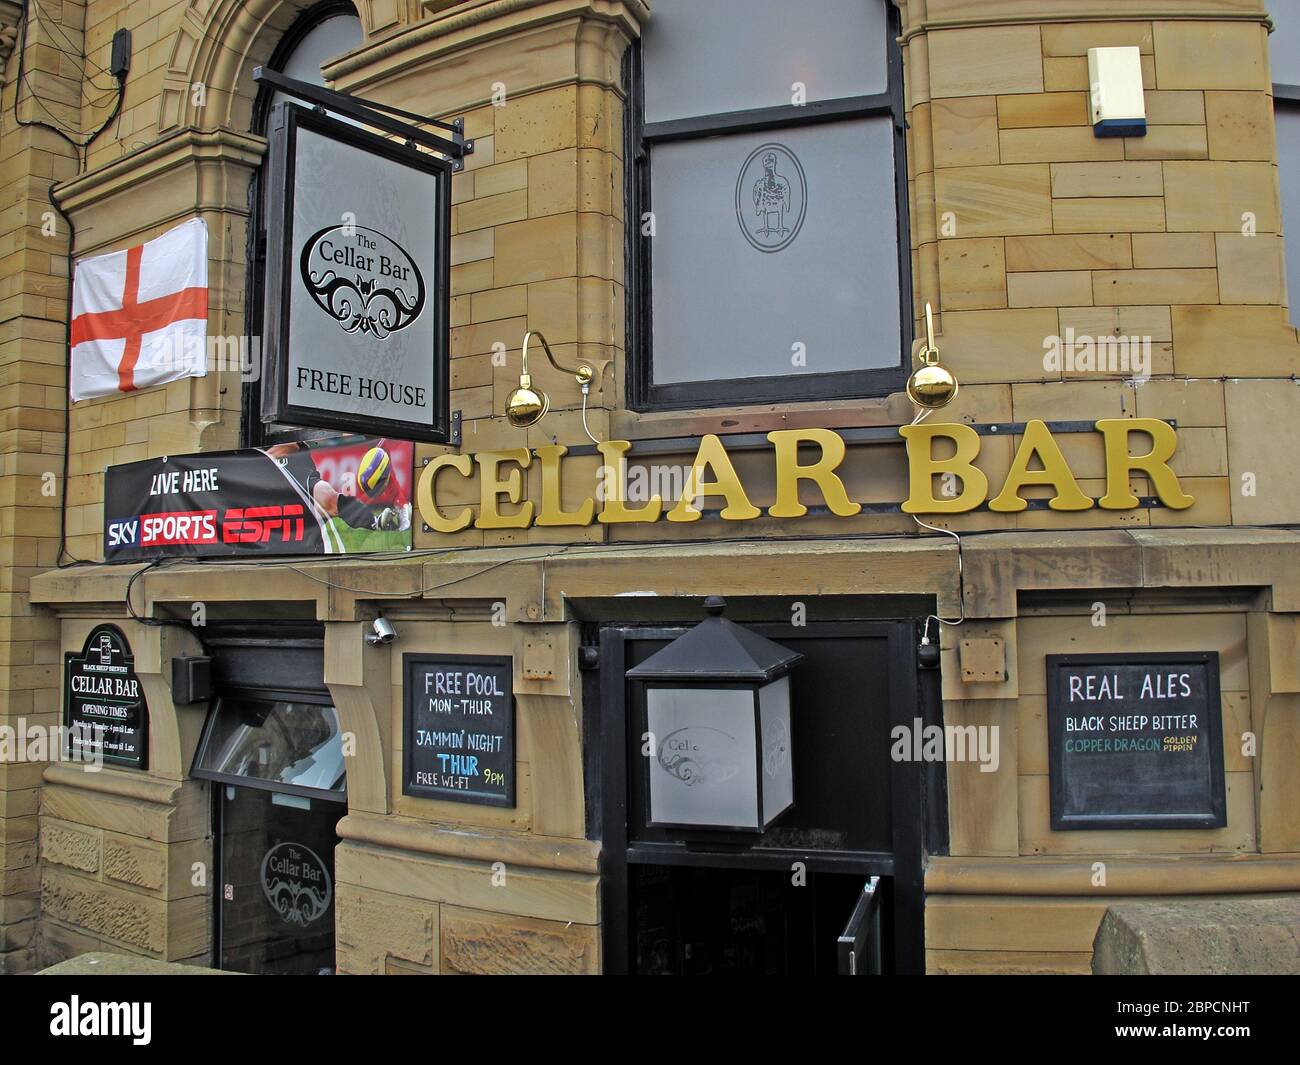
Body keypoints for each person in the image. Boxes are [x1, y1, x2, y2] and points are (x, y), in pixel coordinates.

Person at [262, 440, 409, 532]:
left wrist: (261, 462)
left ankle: (374, 523)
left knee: (327, 497)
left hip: (291, 465)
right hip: (267, 478)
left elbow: (289, 446)